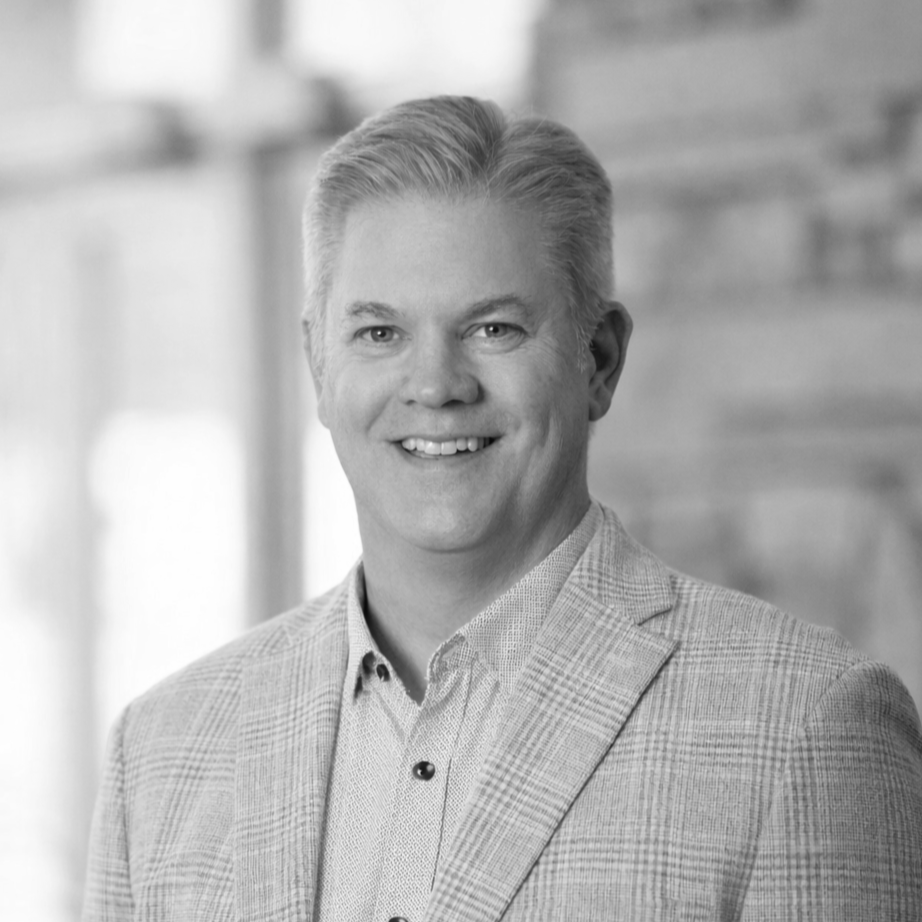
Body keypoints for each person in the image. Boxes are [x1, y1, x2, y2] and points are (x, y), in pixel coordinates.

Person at [83, 96, 922, 922]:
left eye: (493, 329)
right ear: (316, 363)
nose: (435, 386)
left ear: (599, 360)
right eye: (379, 334)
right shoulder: (161, 754)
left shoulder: (804, 727)